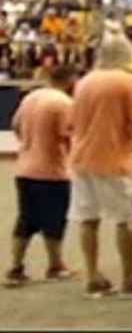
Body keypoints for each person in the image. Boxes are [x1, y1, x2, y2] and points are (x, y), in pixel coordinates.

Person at [69, 35, 132, 298]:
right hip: (112, 157)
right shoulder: (126, 81)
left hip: (81, 157)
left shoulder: (84, 82)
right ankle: (129, 277)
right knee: (126, 219)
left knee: (88, 218)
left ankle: (92, 275)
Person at [7, 65, 78, 287]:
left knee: (26, 219)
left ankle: (16, 267)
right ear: (70, 80)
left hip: (25, 168)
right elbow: (68, 133)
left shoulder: (30, 97)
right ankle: (55, 265)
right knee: (54, 220)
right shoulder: (64, 104)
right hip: (52, 171)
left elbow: (16, 126)